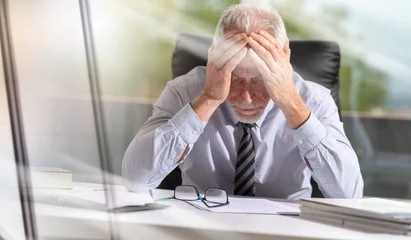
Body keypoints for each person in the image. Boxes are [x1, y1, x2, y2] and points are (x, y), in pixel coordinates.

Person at [121, 3, 363, 199]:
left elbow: (350, 194)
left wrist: (291, 103)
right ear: (213, 56)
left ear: (284, 58)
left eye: (260, 79)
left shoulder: (315, 100)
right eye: (234, 78)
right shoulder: (185, 91)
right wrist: (208, 99)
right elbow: (135, 179)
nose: (246, 97)